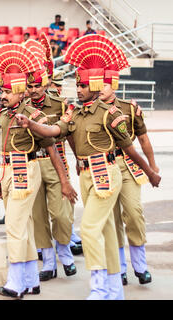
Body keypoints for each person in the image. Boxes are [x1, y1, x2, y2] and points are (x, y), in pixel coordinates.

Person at [14, 35, 161, 299]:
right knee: (106, 230)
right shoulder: (74, 112)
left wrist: (150, 172)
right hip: (85, 176)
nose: (78, 89)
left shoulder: (111, 114)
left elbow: (129, 149)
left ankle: (99, 287)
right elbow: (53, 130)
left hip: (107, 175)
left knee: (91, 228)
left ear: (94, 84)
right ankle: (115, 289)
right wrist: (31, 124)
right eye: (77, 84)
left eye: (82, 85)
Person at [0, 44, 77, 299]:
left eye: (6, 91)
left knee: (14, 227)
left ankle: (15, 282)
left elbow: (53, 150)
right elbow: (1, 149)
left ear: (18, 91)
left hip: (26, 170)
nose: (2, 96)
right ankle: (30, 279)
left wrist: (65, 181)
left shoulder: (34, 116)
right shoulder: (5, 114)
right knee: (23, 226)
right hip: (8, 172)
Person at [99, 64, 159, 286]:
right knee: (112, 219)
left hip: (127, 164)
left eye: (105, 84)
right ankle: (119, 267)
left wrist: (152, 166)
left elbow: (143, 139)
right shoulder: (93, 110)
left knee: (134, 212)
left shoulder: (130, 108)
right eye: (98, 83)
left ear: (114, 84)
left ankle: (140, 266)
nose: (100, 88)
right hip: (103, 165)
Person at [24, 67, 78, 282]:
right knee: (38, 216)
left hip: (57, 163)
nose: (34, 90)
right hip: (33, 163)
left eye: (38, 86)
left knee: (61, 214)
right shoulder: (22, 106)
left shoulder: (60, 105)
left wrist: (79, 159)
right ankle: (48, 261)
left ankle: (64, 253)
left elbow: (71, 133)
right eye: (30, 86)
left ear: (45, 85)